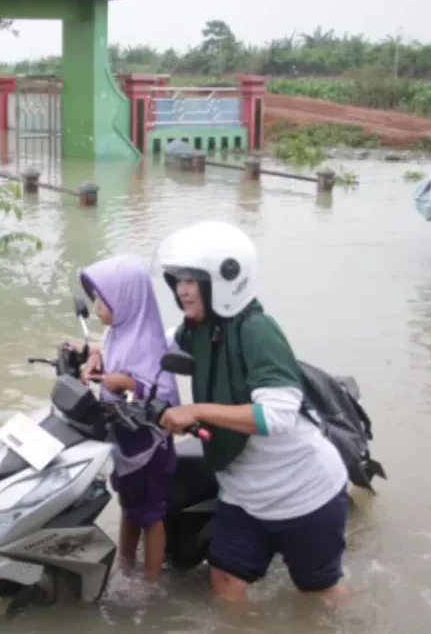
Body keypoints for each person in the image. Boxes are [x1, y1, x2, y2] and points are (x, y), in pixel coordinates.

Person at [153, 221, 350, 604]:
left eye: (193, 280)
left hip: (302, 492)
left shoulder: (257, 330)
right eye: (178, 280)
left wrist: (195, 411)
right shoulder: (198, 330)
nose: (182, 290)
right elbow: (153, 344)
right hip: (244, 493)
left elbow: (275, 416)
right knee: (224, 580)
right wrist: (99, 352)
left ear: (226, 279)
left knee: (320, 594)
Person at [78, 255, 179, 582]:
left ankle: (150, 581)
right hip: (123, 440)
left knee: (150, 515)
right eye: (94, 297)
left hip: (148, 445)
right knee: (128, 505)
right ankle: (124, 565)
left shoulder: (151, 345)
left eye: (103, 299)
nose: (95, 305)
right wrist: (93, 355)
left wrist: (130, 384)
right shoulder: (117, 333)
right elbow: (107, 353)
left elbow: (165, 394)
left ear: (128, 301)